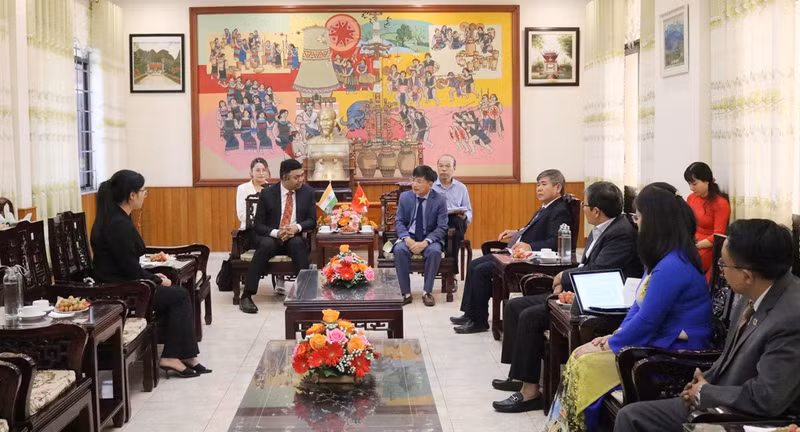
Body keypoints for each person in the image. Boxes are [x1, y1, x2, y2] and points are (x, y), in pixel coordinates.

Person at [550, 182, 712, 432]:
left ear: (654, 222)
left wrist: (614, 343)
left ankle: (579, 427)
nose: (636, 223)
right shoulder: (661, 261)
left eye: (638, 217)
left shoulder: (673, 265)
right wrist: (613, 336)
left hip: (676, 353)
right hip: (658, 341)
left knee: (584, 363)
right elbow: (638, 309)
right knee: (581, 356)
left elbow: (647, 321)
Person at [615, 219, 800, 432]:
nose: (721, 271)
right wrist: (700, 384)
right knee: (632, 415)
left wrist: (706, 393)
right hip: (721, 397)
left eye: (723, 264)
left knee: (632, 418)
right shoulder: (752, 291)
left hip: (748, 416)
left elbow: (767, 397)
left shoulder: (791, 317)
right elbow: (729, 359)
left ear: (747, 275)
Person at [490, 181, 642, 413]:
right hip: (583, 289)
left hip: (599, 298)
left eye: (585, 205)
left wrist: (564, 276)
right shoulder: (603, 227)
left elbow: (600, 271)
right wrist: (565, 280)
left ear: (596, 211)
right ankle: (520, 376)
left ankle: (530, 392)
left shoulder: (621, 233)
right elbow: (585, 266)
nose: (582, 209)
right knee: (514, 306)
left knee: (530, 316)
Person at [91, 170, 210, 378]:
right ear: (132, 195)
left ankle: (186, 355)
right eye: (143, 191)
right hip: (121, 289)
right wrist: (155, 280)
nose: (145, 194)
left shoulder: (118, 218)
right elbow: (128, 268)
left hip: (126, 281)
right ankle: (171, 357)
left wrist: (153, 277)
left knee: (177, 293)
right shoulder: (118, 225)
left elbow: (128, 264)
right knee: (179, 296)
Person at [452, 169, 572, 334]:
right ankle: (470, 314)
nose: (539, 188)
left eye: (544, 184)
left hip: (527, 260)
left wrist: (530, 246)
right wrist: (516, 232)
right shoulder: (546, 207)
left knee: (481, 270)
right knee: (474, 265)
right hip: (515, 252)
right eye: (537, 185)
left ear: (558, 188)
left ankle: (479, 321)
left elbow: (554, 241)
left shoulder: (560, 210)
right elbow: (534, 229)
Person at [239, 159, 316, 314]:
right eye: (296, 177)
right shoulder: (267, 193)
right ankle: (247, 295)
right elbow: (258, 225)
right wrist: (277, 233)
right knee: (266, 245)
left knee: (298, 244)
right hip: (271, 237)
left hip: (293, 237)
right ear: (285, 178)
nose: (301, 180)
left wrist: (296, 227)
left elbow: (312, 220)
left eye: (302, 175)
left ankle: (305, 295)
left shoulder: (307, 192)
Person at [392, 165, 449, 307]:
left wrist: (425, 242)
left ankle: (427, 292)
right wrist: (406, 238)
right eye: (413, 180)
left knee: (435, 251)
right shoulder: (405, 197)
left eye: (419, 181)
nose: (414, 185)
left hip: (429, 238)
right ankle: (405, 293)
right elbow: (399, 222)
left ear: (430, 184)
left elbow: (442, 227)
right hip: (409, 236)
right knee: (399, 250)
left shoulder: (440, 200)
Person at [684, 162, 731, 282]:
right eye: (689, 184)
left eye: (694, 184)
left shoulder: (720, 204)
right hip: (691, 241)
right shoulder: (691, 198)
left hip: (708, 246)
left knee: (689, 261)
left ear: (706, 181)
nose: (691, 188)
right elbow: (686, 222)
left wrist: (696, 245)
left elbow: (718, 235)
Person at [432, 154, 472, 269]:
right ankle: (452, 268)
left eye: (447, 166)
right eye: (441, 166)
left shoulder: (461, 188)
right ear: (437, 168)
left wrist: (464, 216)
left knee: (456, 222)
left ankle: (448, 266)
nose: (444, 169)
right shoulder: (431, 187)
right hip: (437, 222)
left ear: (454, 168)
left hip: (457, 222)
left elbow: (469, 212)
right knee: (453, 231)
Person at [236, 158, 270, 230]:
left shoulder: (272, 189)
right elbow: (241, 215)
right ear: (251, 172)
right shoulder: (242, 188)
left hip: (268, 228)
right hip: (248, 228)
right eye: (258, 170)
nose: (261, 173)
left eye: (264, 170)